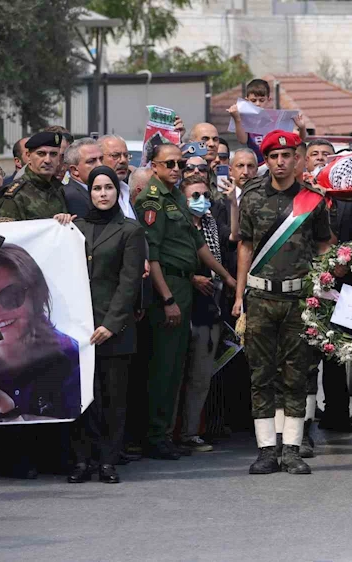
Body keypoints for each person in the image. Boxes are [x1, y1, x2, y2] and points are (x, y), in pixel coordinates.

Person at [234, 130, 331, 475]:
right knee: (261, 374)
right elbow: (244, 246)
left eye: (286, 155)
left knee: (296, 374)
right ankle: (265, 450)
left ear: (297, 158)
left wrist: (331, 271)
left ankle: (291, 449)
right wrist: (238, 297)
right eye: (273, 156)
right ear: (267, 160)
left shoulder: (313, 200)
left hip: (298, 298)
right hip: (260, 296)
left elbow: (323, 245)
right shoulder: (252, 197)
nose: (279, 162)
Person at [134, 142, 236, 460]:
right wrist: (166, 298)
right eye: (170, 164)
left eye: (180, 164)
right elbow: (154, 257)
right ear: (153, 166)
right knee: (163, 366)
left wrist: (228, 277)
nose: (177, 169)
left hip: (183, 284)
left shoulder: (177, 196)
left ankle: (165, 432)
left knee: (176, 365)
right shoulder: (152, 201)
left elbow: (198, 245)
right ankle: (155, 435)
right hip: (169, 287)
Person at [68, 166, 145, 484]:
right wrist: (60, 224)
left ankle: (108, 461)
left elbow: (129, 283)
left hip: (114, 329)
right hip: (81, 330)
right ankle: (81, 460)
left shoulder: (130, 230)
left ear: (118, 192)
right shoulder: (76, 226)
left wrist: (111, 324)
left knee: (113, 398)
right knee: (84, 399)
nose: (102, 194)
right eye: (97, 188)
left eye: (108, 188)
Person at [0, 245, 81, 422]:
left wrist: (5, 408)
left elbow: (72, 428)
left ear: (36, 297)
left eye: (12, 296)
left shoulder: (69, 355)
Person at [177, 176, 238, 453]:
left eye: (204, 194)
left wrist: (234, 203)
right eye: (193, 195)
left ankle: (191, 432)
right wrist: (190, 278)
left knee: (201, 375)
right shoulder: (176, 225)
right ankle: (170, 433)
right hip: (182, 306)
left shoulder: (212, 224)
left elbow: (234, 238)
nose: (200, 200)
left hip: (210, 307)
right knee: (175, 376)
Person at [0, 132, 68, 222]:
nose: (48, 160)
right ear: (28, 156)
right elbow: (6, 232)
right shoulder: (17, 194)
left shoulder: (59, 189)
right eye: (41, 154)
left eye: (53, 154)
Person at [63, 138, 103, 218]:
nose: (100, 165)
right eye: (91, 161)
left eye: (101, 159)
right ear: (74, 170)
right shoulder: (71, 197)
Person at [99, 135, 136, 219]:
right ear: (100, 158)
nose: (123, 160)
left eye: (126, 155)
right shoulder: (95, 194)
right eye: (115, 155)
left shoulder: (126, 189)